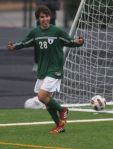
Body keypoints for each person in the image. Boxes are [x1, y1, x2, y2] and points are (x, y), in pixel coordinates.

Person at [7, 6, 84, 134]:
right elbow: (25, 43)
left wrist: (79, 42)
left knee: (41, 96)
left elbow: (70, 41)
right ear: (38, 19)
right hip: (43, 70)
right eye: (42, 17)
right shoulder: (35, 33)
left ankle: (63, 110)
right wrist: (13, 46)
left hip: (55, 69)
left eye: (47, 16)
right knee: (47, 101)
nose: (45, 19)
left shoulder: (56, 31)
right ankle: (59, 126)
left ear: (50, 17)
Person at [32, 0, 60, 72]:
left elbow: (57, 6)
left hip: (51, 21)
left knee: (52, 42)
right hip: (40, 22)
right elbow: (39, 5)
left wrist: (47, 4)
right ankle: (37, 63)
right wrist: (49, 5)